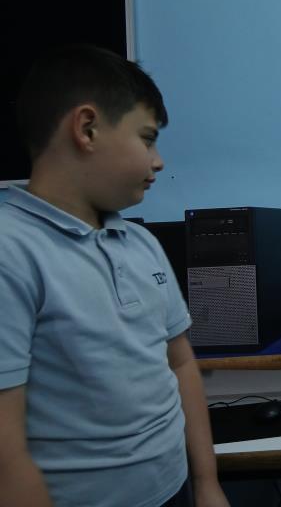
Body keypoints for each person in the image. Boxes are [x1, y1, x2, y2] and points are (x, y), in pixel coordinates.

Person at [0, 45, 230, 507]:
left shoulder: (140, 242)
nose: (158, 161)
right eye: (147, 139)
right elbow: (8, 459)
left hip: (174, 490)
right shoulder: (12, 251)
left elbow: (180, 364)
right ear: (87, 129)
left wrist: (206, 483)